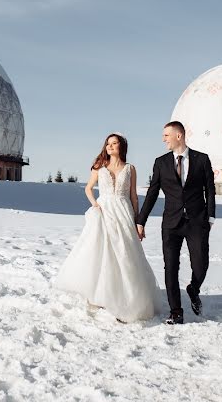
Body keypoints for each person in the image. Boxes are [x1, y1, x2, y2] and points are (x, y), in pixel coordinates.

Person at [52, 133, 160, 322]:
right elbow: (88, 188)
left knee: (125, 253)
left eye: (114, 143)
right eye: (108, 144)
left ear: (121, 146)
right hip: (105, 212)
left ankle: (127, 298)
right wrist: (95, 204)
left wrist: (138, 221)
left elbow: (134, 196)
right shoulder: (99, 167)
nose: (110, 146)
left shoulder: (130, 168)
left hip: (124, 212)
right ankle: (101, 295)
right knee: (103, 251)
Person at [136, 121, 216, 325]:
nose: (163, 139)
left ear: (179, 136)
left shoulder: (202, 159)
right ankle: (176, 312)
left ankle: (193, 288)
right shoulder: (160, 162)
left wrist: (210, 216)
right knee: (170, 267)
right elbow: (153, 193)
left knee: (201, 264)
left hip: (197, 221)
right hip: (171, 223)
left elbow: (210, 190)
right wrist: (141, 221)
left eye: (166, 135)